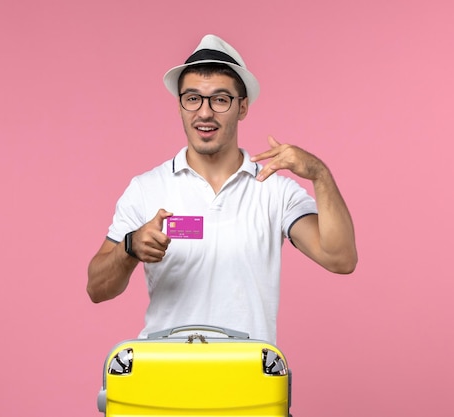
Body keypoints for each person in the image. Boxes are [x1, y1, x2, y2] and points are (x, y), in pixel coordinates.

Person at [87, 34, 357, 344]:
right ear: (179, 106)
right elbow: (97, 289)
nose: (204, 113)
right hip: (166, 378)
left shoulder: (274, 191)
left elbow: (341, 259)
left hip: (248, 379)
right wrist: (130, 247)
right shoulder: (146, 189)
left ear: (242, 107)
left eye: (220, 99)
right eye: (192, 98)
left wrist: (320, 175)